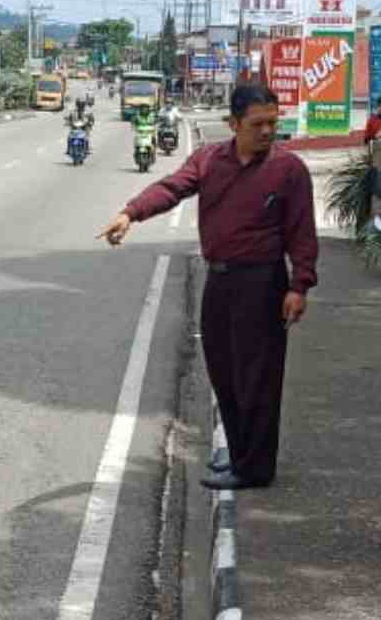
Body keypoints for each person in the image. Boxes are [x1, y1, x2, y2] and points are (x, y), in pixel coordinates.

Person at [100, 85, 318, 490]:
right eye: (258, 124)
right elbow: (170, 189)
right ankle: (238, 454)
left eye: (274, 122)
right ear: (233, 124)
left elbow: (302, 234)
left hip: (263, 283)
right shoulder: (209, 161)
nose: (268, 131)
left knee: (258, 378)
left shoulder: (288, 171)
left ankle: (255, 468)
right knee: (224, 372)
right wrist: (130, 213)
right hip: (218, 281)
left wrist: (299, 285)